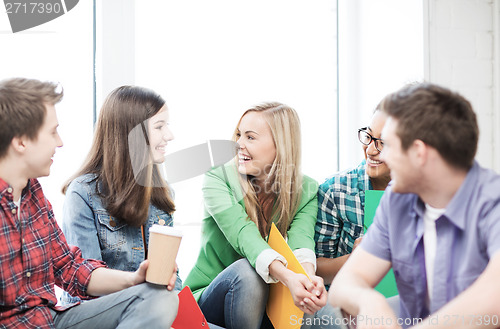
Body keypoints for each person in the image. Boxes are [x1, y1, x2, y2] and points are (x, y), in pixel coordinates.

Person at [0, 77, 178, 329]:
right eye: (52, 132)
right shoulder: (83, 192)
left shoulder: (34, 197)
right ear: (21, 142)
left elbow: (71, 269)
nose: (59, 142)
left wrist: (134, 279)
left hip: (52, 320)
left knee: (157, 296)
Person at [329, 82, 500, 329]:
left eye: (388, 145)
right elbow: (345, 285)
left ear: (418, 152)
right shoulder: (396, 201)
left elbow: (495, 293)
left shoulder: (492, 201)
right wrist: (370, 302)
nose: (380, 156)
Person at [184, 102, 327, 329]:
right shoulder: (218, 178)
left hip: (266, 303)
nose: (238, 144)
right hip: (210, 297)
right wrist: (289, 277)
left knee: (317, 305)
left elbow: (302, 242)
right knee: (247, 272)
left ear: (280, 145)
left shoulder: (306, 189)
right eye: (239, 135)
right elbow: (244, 235)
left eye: (250, 137)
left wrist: (308, 281)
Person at [60, 85, 182, 305]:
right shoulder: (83, 193)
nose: (170, 136)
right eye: (159, 127)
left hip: (152, 309)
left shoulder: (162, 193)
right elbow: (86, 285)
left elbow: (172, 278)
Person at [315, 105, 390, 285]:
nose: (371, 150)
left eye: (384, 142)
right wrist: (353, 260)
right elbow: (314, 269)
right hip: (348, 298)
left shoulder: (431, 195)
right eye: (369, 137)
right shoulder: (335, 190)